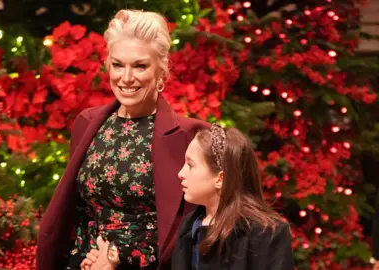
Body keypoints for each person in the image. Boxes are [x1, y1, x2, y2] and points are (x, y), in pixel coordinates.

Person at [36, 9, 210, 270]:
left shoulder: (191, 136)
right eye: (118, 65)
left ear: (161, 72)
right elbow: (77, 211)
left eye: (140, 66)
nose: (126, 78)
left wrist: (118, 258)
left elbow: (199, 225)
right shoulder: (87, 122)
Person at [172, 125, 295, 270]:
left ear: (220, 179)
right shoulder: (189, 225)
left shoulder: (266, 233)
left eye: (190, 165)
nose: (181, 173)